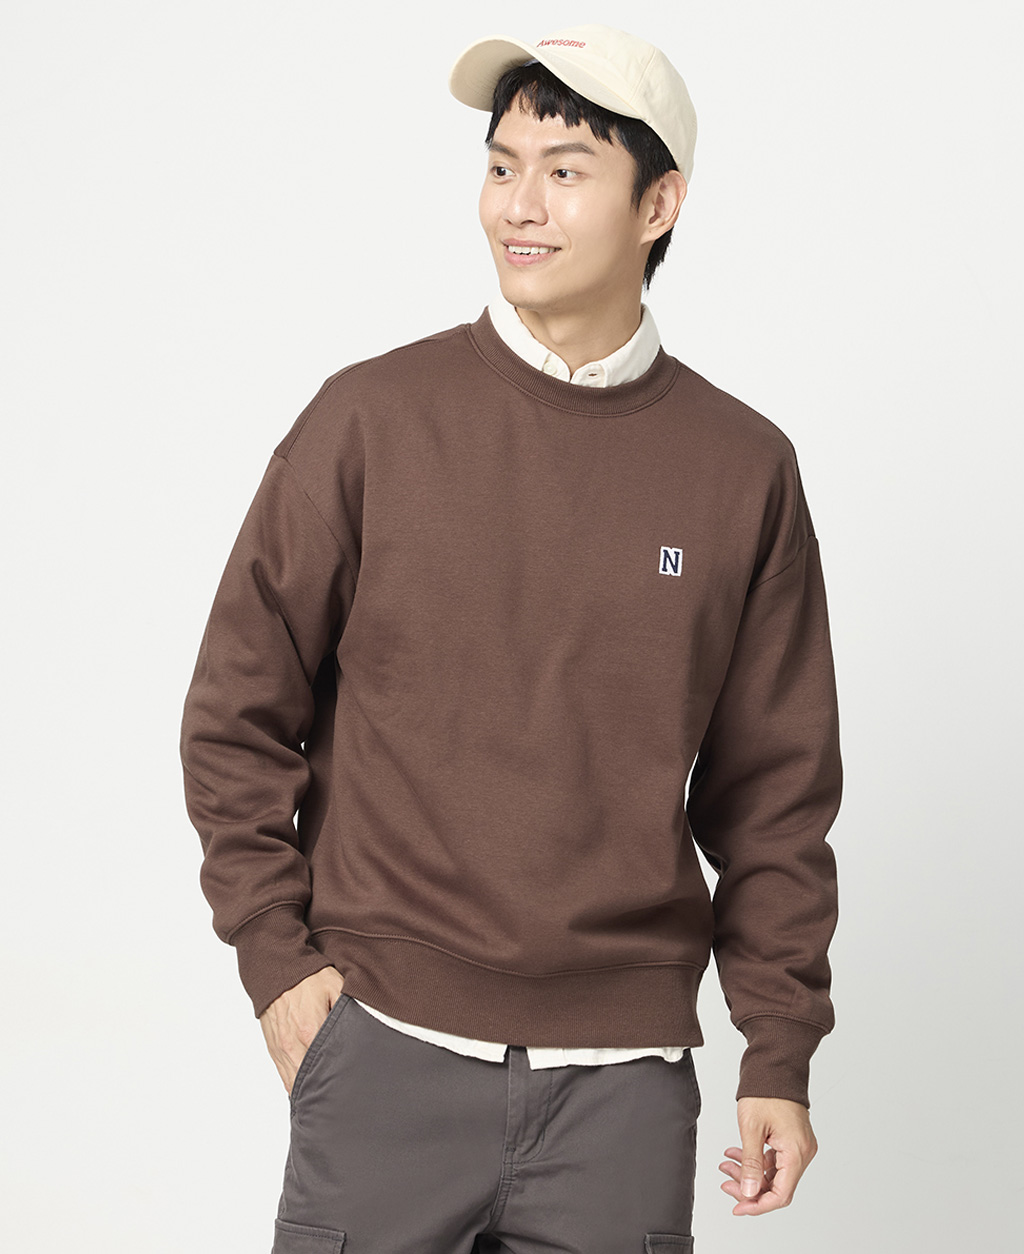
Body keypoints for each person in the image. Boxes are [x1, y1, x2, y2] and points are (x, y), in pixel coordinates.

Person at [180, 22, 842, 1253]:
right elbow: (235, 713)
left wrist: (778, 1049)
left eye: (564, 170)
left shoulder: (742, 469)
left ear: (658, 205)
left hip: (624, 1091)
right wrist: (278, 964)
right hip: (381, 1051)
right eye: (500, 166)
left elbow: (775, 798)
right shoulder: (368, 420)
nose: (517, 206)